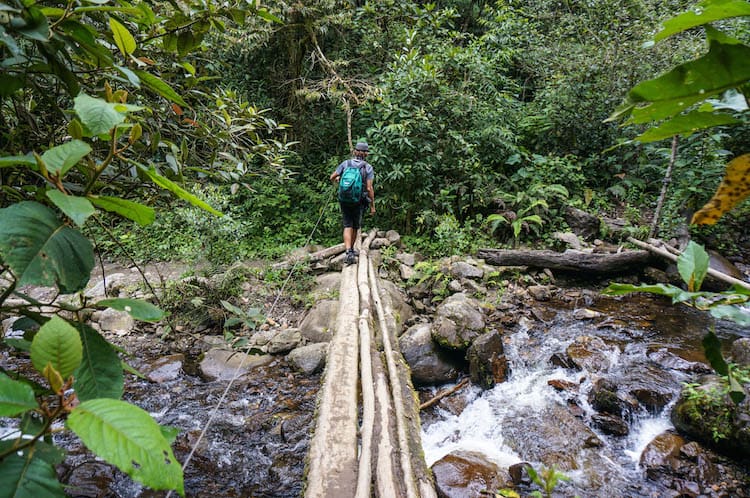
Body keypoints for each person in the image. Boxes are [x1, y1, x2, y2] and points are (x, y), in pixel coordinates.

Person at [330, 141, 375, 265]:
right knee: (355, 226)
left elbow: (332, 177)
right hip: (358, 201)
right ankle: (351, 251)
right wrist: (372, 206)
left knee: (347, 224)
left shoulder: (346, 164)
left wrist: (338, 180)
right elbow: (369, 188)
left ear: (355, 152)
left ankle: (348, 251)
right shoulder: (368, 167)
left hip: (344, 200)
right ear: (366, 154)